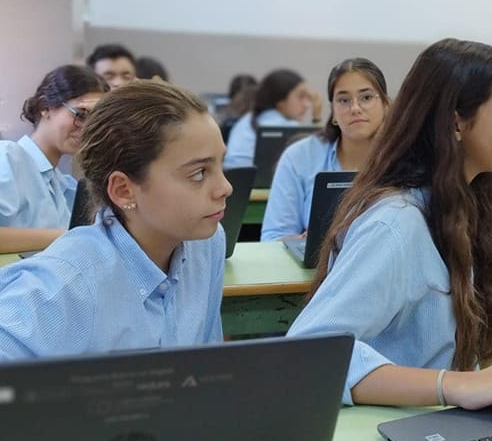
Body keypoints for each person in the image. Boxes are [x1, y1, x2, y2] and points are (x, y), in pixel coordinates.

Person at [287, 39, 492, 408]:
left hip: (431, 423)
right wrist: (456, 385)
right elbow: (309, 354)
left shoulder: (465, 204)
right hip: (384, 431)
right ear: (456, 122)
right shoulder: (396, 223)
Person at [0, 80, 231, 359]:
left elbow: (204, 363)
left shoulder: (206, 244)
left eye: (221, 164)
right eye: (198, 174)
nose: (226, 188)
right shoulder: (63, 285)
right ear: (123, 190)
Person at [261, 58, 390, 241]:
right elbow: (273, 237)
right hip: (316, 260)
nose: (355, 108)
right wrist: (300, 243)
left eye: (366, 97)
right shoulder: (298, 157)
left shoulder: (405, 157)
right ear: (333, 112)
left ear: (385, 104)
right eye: (344, 100)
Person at [0, 66, 108, 253]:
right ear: (45, 108)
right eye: (81, 114)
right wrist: (72, 236)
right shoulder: (8, 157)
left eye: (96, 119)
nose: (87, 128)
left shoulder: (66, 186)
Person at [224, 68, 322, 168]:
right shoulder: (287, 128)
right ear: (280, 100)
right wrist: (317, 118)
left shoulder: (246, 119)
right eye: (301, 97)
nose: (307, 104)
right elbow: (318, 158)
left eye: (307, 97)